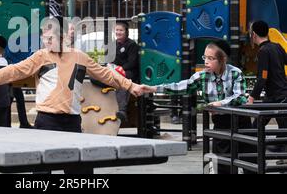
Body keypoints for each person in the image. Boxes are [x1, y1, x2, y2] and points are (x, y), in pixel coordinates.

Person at [0, 17, 147, 173]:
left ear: (62, 37)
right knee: (41, 171)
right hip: (46, 121)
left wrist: (130, 86)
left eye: (49, 38)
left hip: (72, 121)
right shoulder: (40, 56)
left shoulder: (80, 57)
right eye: (43, 38)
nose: (46, 42)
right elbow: (13, 71)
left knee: (81, 171)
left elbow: (106, 74)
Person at [144, 40, 251, 174]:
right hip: (221, 123)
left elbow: (240, 96)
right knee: (222, 163)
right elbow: (182, 86)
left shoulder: (235, 73)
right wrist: (152, 88)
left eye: (211, 58)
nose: (206, 62)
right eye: (204, 57)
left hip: (241, 121)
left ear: (222, 59)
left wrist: (221, 103)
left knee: (249, 161)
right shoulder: (202, 76)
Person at [247, 21, 287, 151]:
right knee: (282, 126)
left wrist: (252, 96)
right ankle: (280, 152)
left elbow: (262, 77)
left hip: (274, 96)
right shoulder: (277, 47)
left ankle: (250, 151)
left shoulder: (263, 51)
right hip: (282, 93)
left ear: (254, 34)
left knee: (258, 124)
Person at [112, 21, 140, 123]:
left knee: (122, 81)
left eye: (121, 30)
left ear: (126, 32)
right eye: (117, 30)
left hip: (129, 72)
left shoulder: (132, 45)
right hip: (115, 71)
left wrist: (120, 69)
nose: (118, 32)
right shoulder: (113, 44)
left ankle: (122, 110)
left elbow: (132, 63)